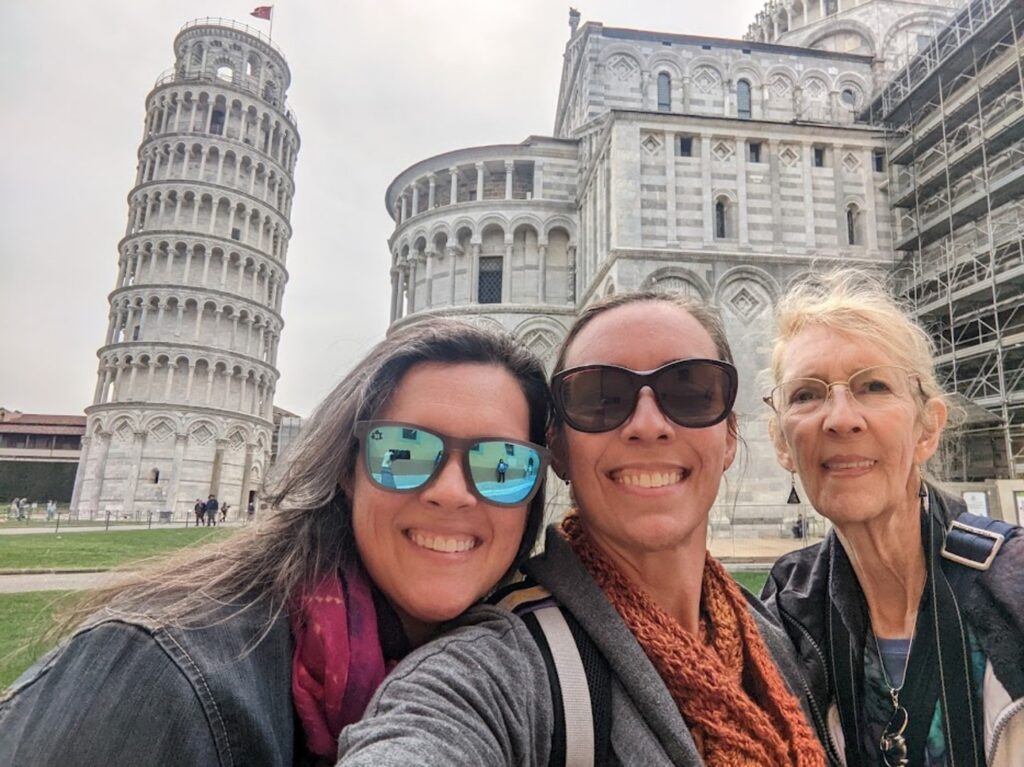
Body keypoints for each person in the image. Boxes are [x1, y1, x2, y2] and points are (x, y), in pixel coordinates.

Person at [0, 320, 551, 767]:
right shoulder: (152, 673)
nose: (451, 492)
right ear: (346, 471)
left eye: (502, 464)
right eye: (402, 451)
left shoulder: (524, 676)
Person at [340, 292, 825, 766]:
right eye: (600, 398)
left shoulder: (772, 641)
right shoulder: (499, 669)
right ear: (560, 451)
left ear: (730, 439)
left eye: (690, 391)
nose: (648, 424)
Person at [760, 270, 1024, 766]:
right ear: (782, 444)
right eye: (806, 394)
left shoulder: (1013, 586)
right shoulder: (789, 611)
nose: (840, 417)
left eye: (873, 386)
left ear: (927, 429)